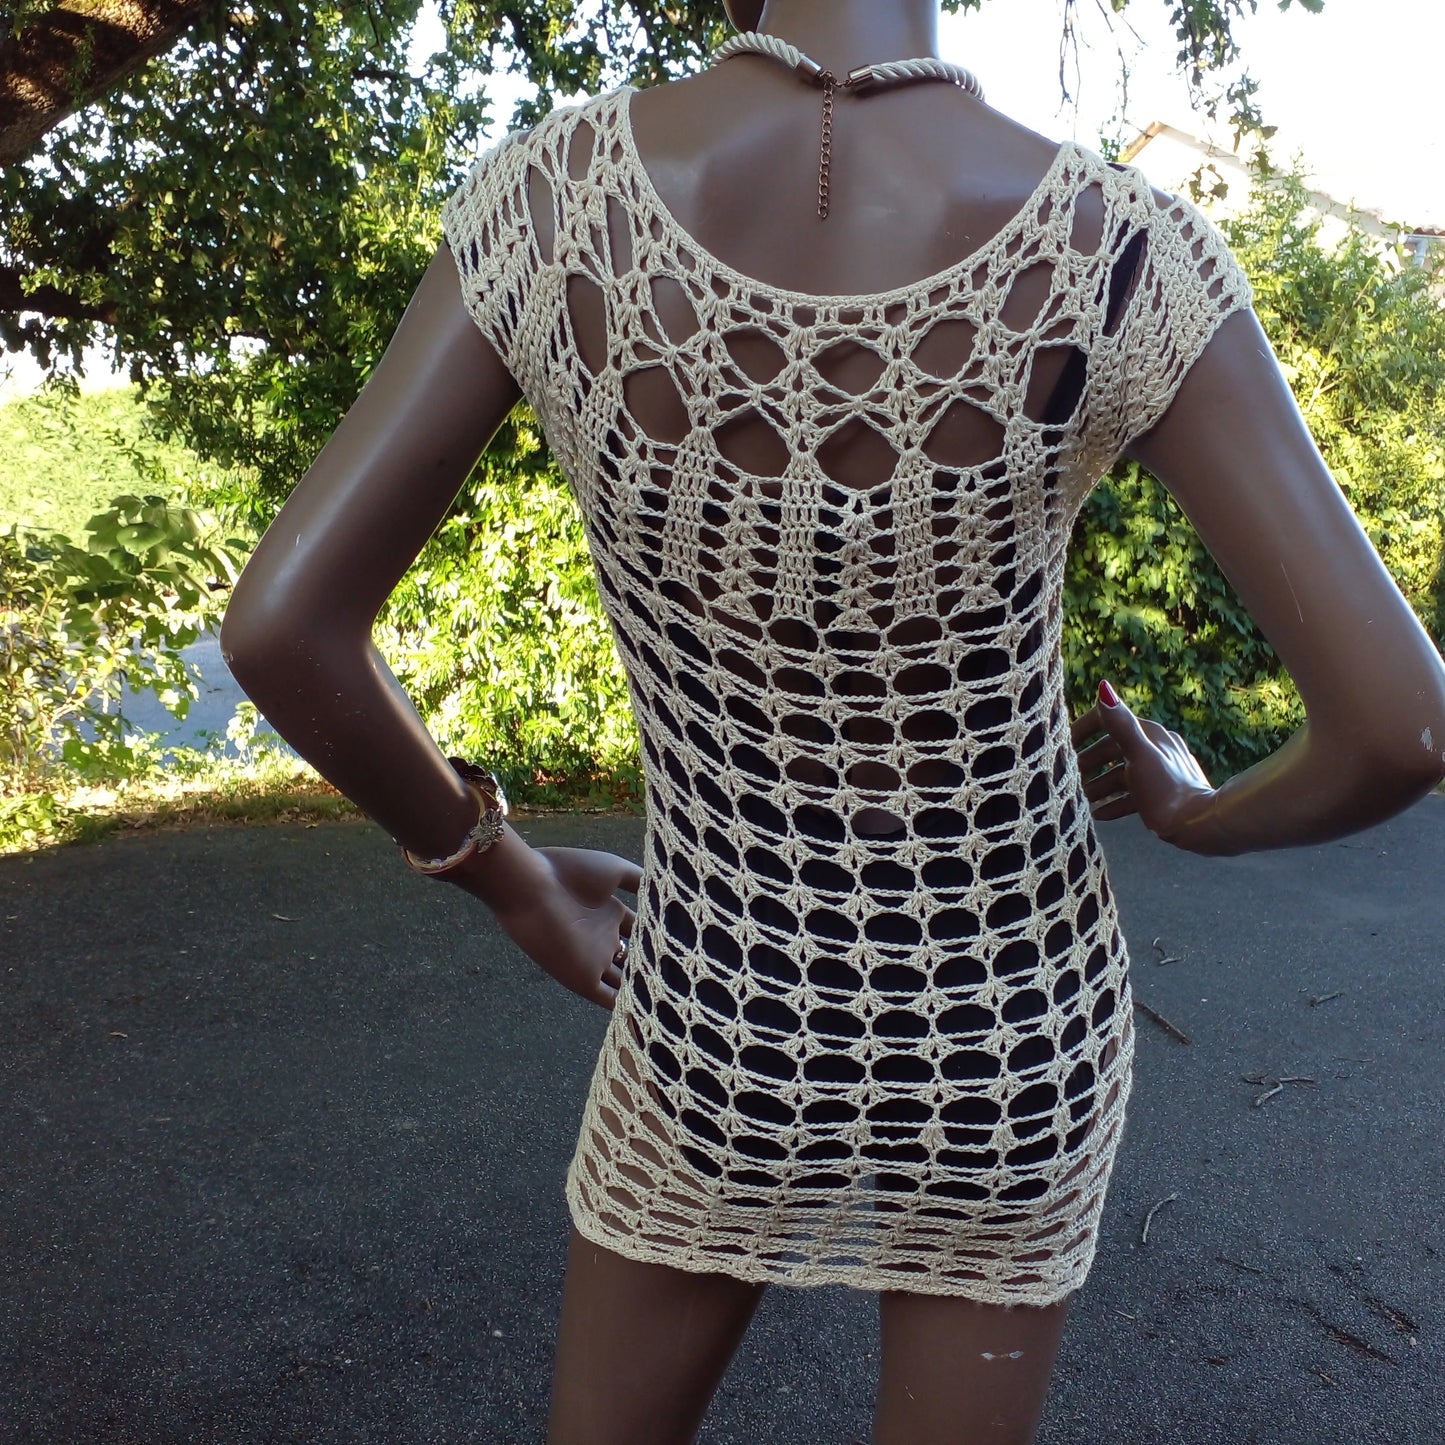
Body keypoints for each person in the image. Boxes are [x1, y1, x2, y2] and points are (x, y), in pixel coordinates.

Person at [220, 1, 1445, 1440]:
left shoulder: (558, 200)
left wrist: (507, 870)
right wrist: (1192, 809)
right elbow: (1398, 727)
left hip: (725, 993)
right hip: (1007, 1011)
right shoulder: (1115, 245)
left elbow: (281, 628)